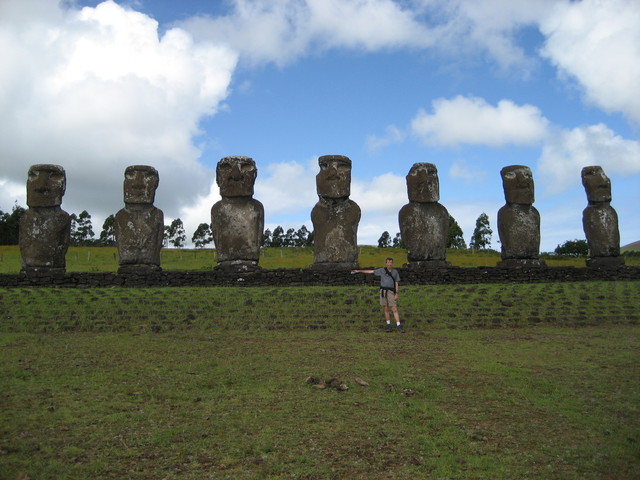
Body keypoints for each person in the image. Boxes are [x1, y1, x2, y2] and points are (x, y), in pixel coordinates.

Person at [352, 257, 403, 332]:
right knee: (386, 308)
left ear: (392, 263)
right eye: (388, 262)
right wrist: (359, 271)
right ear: (386, 263)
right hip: (383, 291)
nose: (389, 264)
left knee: (394, 308)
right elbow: (371, 271)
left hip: (391, 291)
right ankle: (388, 325)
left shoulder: (395, 272)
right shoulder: (382, 270)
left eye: (391, 262)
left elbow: (396, 283)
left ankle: (398, 325)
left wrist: (396, 293)